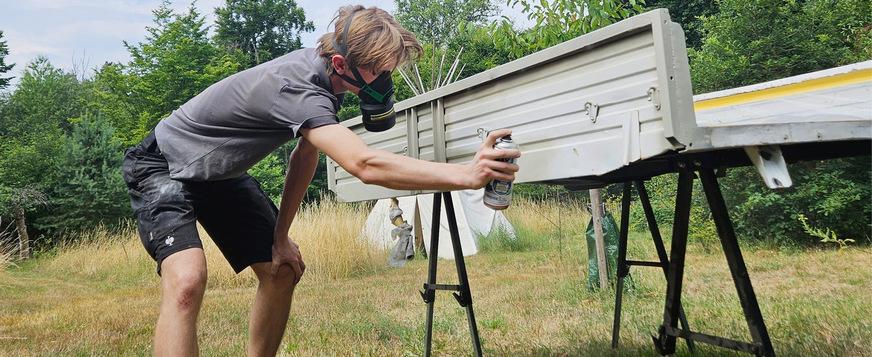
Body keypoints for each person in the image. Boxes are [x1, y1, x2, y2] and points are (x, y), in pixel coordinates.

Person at [121, 5, 520, 356]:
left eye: (389, 70)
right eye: (378, 72)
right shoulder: (298, 86)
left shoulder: (326, 79)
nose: (385, 80)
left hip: (218, 174)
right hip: (163, 162)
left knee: (282, 269)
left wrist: (281, 237)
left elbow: (305, 155)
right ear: (342, 64)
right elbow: (363, 164)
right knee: (187, 281)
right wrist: (467, 175)